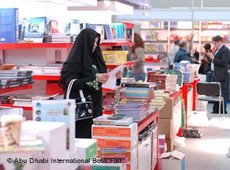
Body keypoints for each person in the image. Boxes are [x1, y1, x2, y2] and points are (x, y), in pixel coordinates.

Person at [60, 28, 120, 138]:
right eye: (93, 42)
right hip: (82, 111)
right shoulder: (74, 62)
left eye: (97, 43)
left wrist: (114, 78)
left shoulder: (94, 60)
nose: (95, 46)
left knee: (94, 141)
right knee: (83, 141)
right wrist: (94, 79)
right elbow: (71, 84)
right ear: (85, 42)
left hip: (95, 107)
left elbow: (98, 83)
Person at [209, 35, 230, 114]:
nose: (214, 45)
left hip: (222, 75)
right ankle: (216, 109)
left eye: (215, 43)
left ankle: (223, 110)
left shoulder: (225, 50)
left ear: (220, 41)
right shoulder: (218, 49)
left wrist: (213, 58)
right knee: (217, 92)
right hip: (216, 74)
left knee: (223, 93)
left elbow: (224, 62)